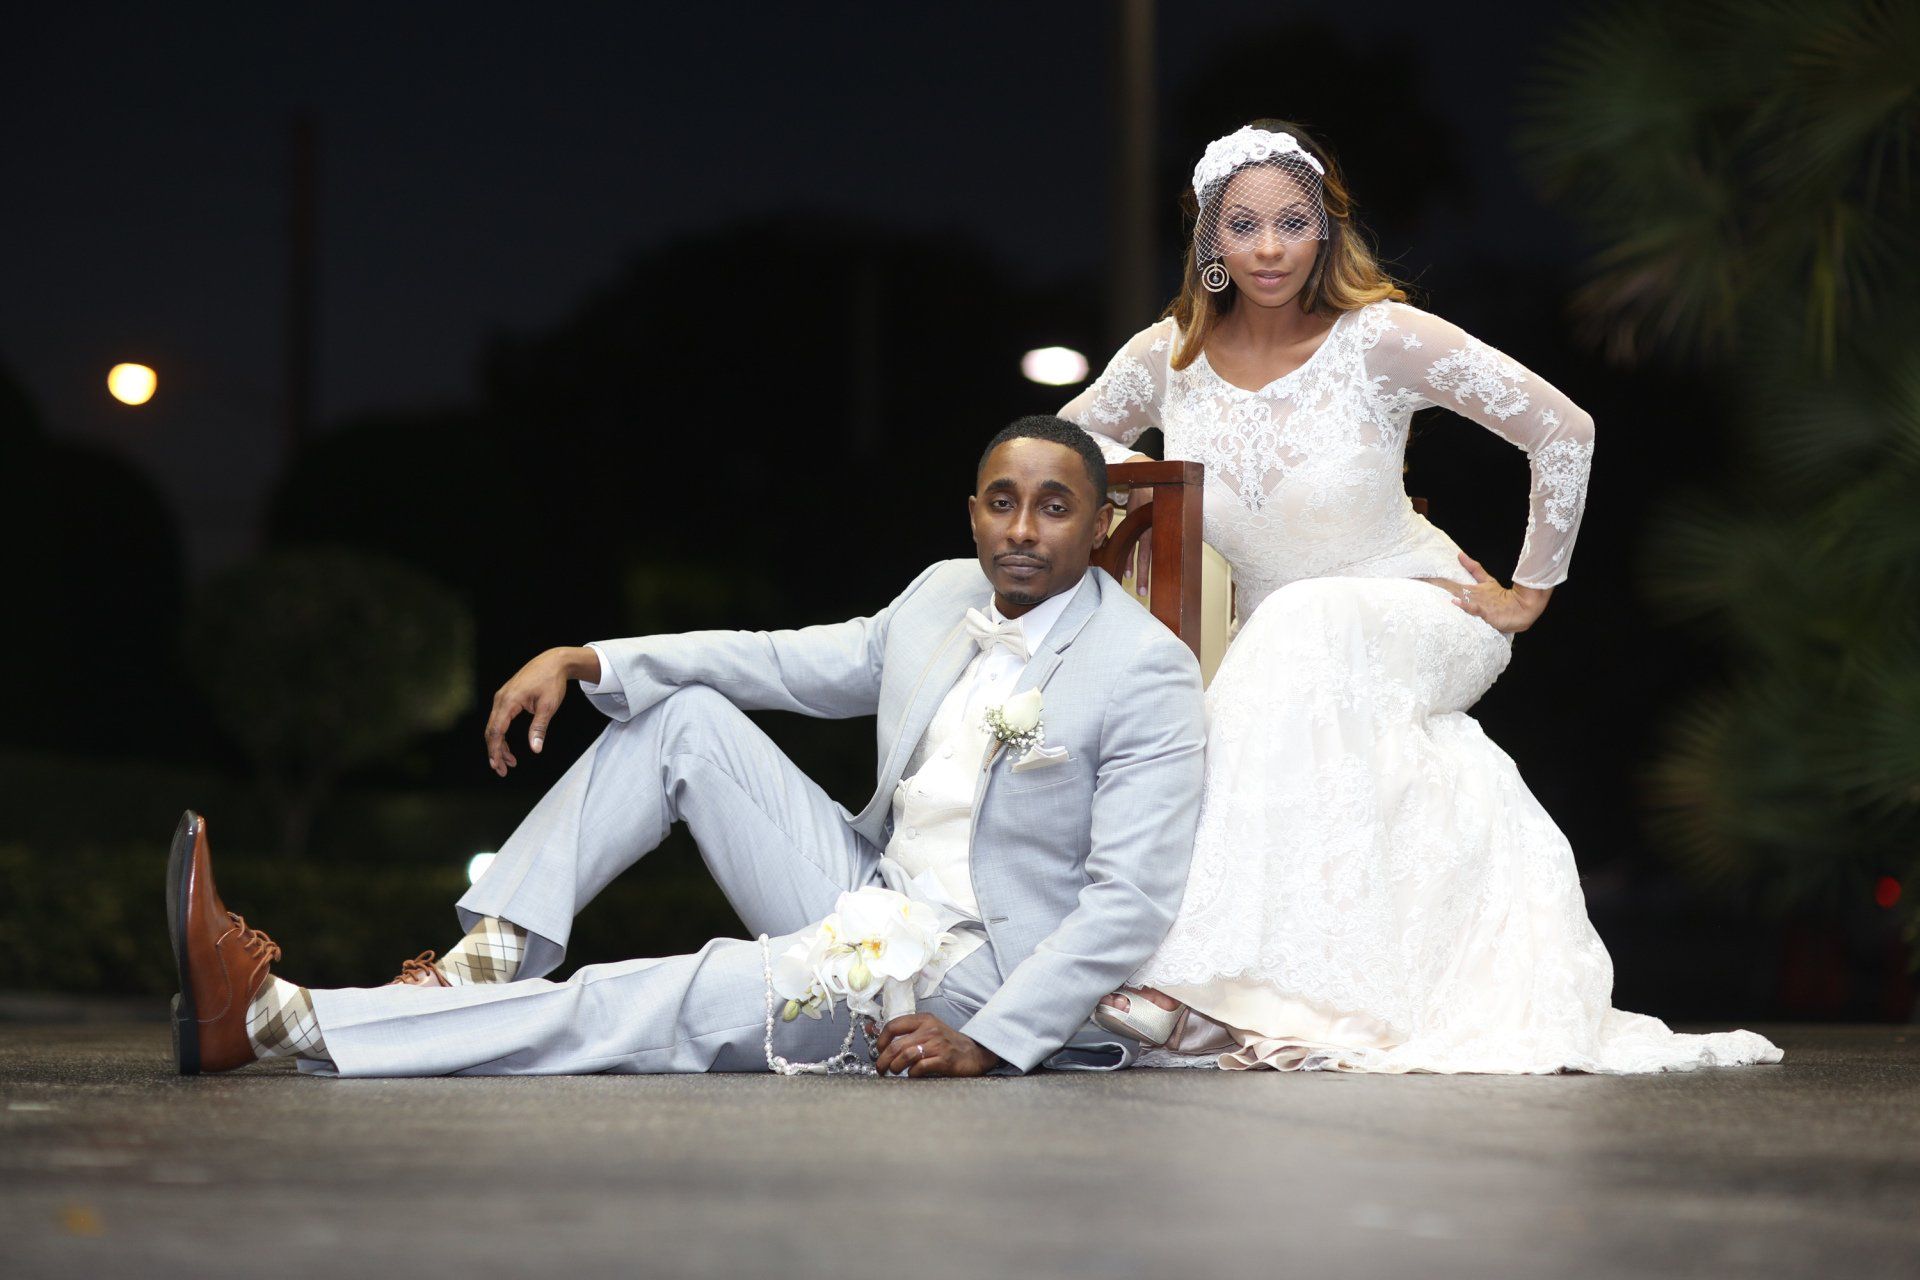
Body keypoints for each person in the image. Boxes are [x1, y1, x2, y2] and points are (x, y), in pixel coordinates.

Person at [166, 416, 1206, 1079]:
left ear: (1100, 524)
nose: (1022, 530)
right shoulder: (942, 593)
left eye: (1054, 507)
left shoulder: (1142, 668)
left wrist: (989, 1040)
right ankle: (478, 967)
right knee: (680, 716)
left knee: (655, 995)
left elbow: (1128, 902)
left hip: (967, 975)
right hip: (870, 892)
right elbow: (779, 660)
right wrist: (587, 658)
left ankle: (281, 1024)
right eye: (1002, 502)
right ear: (973, 513)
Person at [1063, 121, 1781, 1074]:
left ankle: (1185, 986)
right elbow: (1058, 450)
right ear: (1209, 239)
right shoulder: (1169, 358)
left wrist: (1532, 589)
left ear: (1328, 229)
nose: (1269, 248)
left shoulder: (1381, 338)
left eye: (1293, 222)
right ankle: (1256, 993)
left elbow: (1563, 430)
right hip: (1279, 638)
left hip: (1416, 605)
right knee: (1282, 636)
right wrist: (1162, 521)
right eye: (1243, 225)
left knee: (1302, 621)